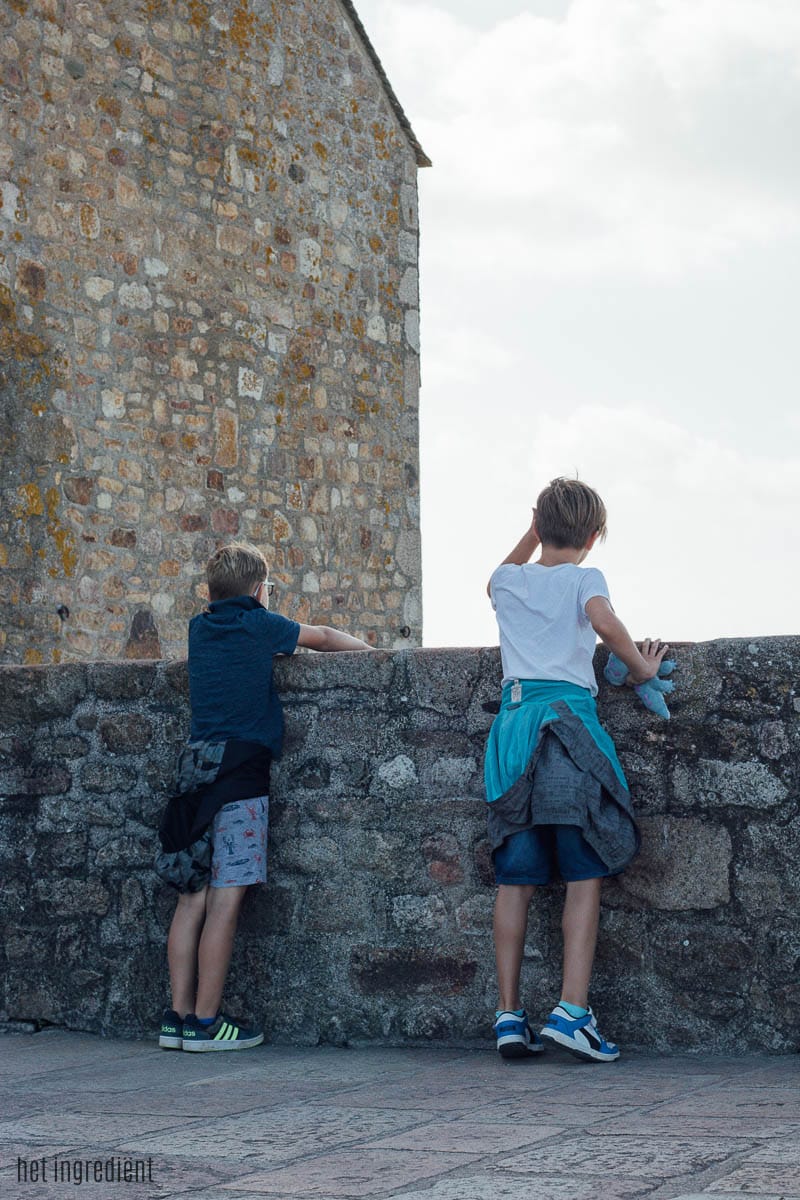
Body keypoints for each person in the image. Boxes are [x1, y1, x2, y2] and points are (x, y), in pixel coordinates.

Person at [157, 541, 372, 1052]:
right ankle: (209, 1023)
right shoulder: (261, 625)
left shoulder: (199, 627)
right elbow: (319, 637)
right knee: (226, 900)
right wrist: (374, 653)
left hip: (195, 771)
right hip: (241, 774)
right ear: (259, 591)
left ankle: (178, 1018)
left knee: (192, 898)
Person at [485, 477, 667, 1063]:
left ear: (537, 524)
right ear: (594, 536)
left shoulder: (509, 581)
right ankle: (572, 1011)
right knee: (583, 871)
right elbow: (605, 623)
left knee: (515, 879)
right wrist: (639, 668)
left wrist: (533, 529)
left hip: (512, 736)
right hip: (564, 730)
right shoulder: (586, 577)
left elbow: (495, 576)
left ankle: (509, 1016)